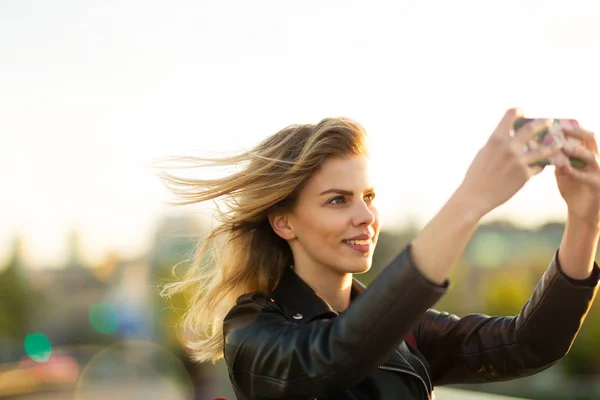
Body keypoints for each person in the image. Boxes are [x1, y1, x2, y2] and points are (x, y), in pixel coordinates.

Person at [157, 109, 600, 400]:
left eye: (368, 195)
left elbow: (529, 344)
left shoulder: (406, 330)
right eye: (337, 200)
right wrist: (471, 200)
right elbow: (332, 356)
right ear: (283, 222)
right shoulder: (251, 330)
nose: (366, 215)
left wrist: (584, 221)